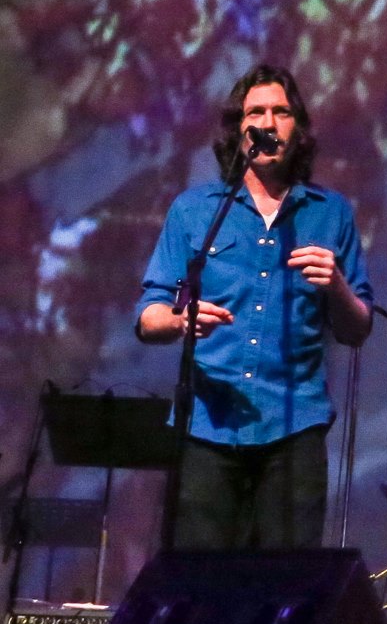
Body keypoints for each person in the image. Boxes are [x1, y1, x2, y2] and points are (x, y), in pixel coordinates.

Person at [136, 64, 372, 550]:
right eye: (255, 112)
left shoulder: (331, 212)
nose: (268, 122)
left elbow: (357, 328)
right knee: (200, 590)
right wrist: (182, 321)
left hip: (294, 430)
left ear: (298, 128)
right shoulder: (196, 209)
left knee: (285, 593)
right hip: (207, 426)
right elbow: (149, 314)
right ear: (238, 131)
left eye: (280, 112)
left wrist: (338, 288)